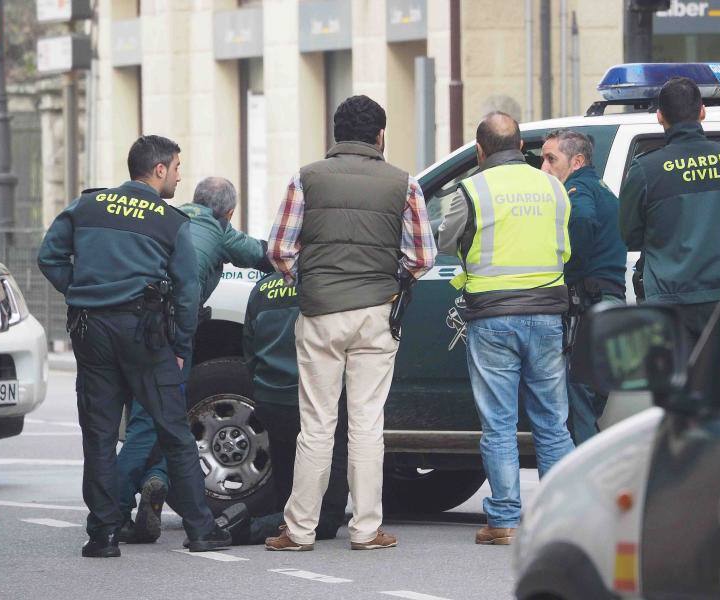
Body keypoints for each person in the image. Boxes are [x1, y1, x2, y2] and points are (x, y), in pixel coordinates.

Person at [38, 135, 230, 557]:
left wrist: (82, 292)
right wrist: (180, 343)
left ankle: (103, 535)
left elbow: (49, 257)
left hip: (92, 331)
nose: (180, 176)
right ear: (158, 170)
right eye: (177, 167)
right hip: (147, 334)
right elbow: (186, 290)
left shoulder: (86, 206)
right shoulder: (170, 220)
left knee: (101, 435)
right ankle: (201, 530)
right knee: (174, 432)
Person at [264, 95, 436, 551]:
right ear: (380, 136)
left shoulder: (307, 178)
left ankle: (299, 530)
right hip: (377, 312)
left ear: (336, 134)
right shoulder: (404, 184)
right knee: (366, 423)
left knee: (317, 423)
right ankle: (365, 529)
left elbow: (279, 248)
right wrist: (389, 278)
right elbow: (423, 256)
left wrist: (312, 277)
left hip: (320, 312)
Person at [437, 111, 574, 545]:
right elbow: (564, 248)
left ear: (480, 150)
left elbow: (444, 240)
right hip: (549, 313)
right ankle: (561, 519)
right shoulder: (553, 186)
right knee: (553, 423)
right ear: (521, 146)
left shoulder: (472, 189)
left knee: (499, 424)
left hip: (493, 318)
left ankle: (505, 521)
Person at [115, 176, 272, 544]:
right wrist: (182, 350)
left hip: (129, 327)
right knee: (159, 423)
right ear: (229, 212)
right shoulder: (216, 231)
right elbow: (261, 255)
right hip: (163, 336)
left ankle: (155, 480)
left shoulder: (171, 216)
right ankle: (114, 509)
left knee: (156, 422)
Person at [217, 271, 348, 546]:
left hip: (270, 402)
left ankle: (253, 521)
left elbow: (249, 349)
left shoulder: (262, 288)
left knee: (288, 493)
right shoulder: (323, 282)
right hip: (312, 403)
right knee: (325, 516)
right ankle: (237, 528)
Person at [619, 77, 720, 349]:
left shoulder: (646, 169)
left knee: (672, 387)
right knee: (716, 384)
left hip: (667, 303)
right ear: (702, 111)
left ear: (659, 116)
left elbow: (628, 233)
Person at [540, 129, 627, 445]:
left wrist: (566, 270)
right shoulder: (600, 187)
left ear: (576, 161)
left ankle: (585, 473)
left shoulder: (579, 189)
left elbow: (583, 221)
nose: (544, 168)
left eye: (552, 159)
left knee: (577, 394)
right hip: (607, 304)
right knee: (590, 396)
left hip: (592, 304)